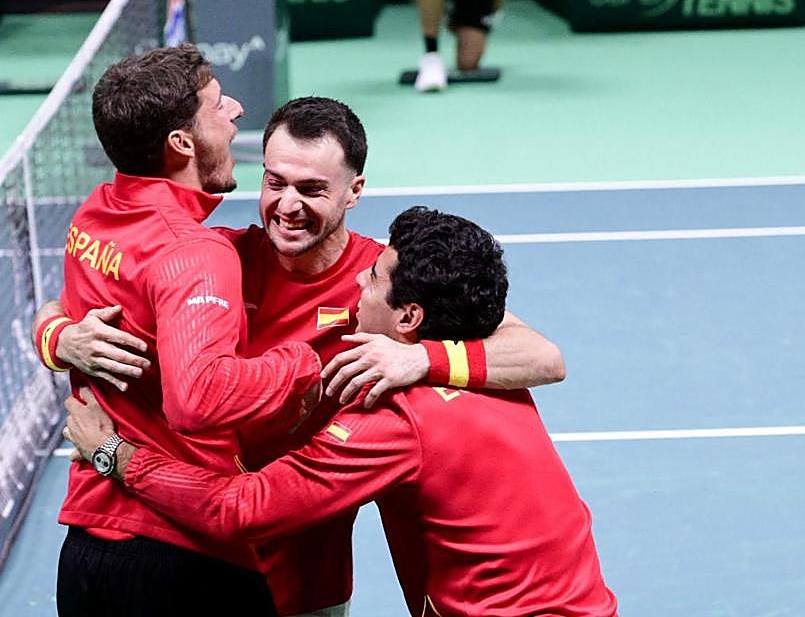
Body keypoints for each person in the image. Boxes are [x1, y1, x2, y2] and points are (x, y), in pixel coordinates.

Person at [38, 96, 566, 616]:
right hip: (193, 546)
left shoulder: (382, 288)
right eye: (275, 183)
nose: (288, 206)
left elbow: (541, 356)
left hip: (305, 571)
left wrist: (422, 360)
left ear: (354, 191)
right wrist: (60, 338)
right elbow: (70, 302)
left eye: (312, 189)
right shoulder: (212, 260)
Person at [65, 207, 619, 617]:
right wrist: (57, 332)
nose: (358, 279)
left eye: (373, 278)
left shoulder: (395, 420)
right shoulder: (482, 363)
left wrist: (113, 453)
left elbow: (242, 509)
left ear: (408, 318)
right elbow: (539, 355)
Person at [34, 45, 325, 616]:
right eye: (217, 105)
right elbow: (197, 401)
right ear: (182, 144)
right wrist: (300, 364)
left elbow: (59, 307)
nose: (236, 110)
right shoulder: (194, 252)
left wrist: (55, 335)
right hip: (182, 557)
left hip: (88, 552)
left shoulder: (96, 213)